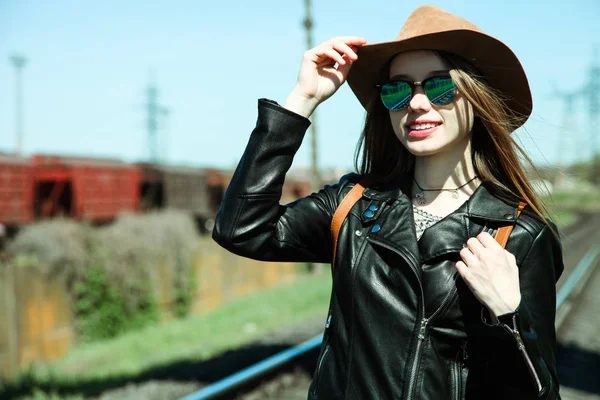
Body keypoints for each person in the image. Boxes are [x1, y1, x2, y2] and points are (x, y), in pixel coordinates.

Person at [213, 5, 564, 400]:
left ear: (476, 95)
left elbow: (539, 393)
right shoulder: (353, 207)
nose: (416, 103)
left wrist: (509, 314)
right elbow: (241, 229)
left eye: (439, 86)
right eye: (398, 89)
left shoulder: (517, 234)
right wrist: (302, 100)